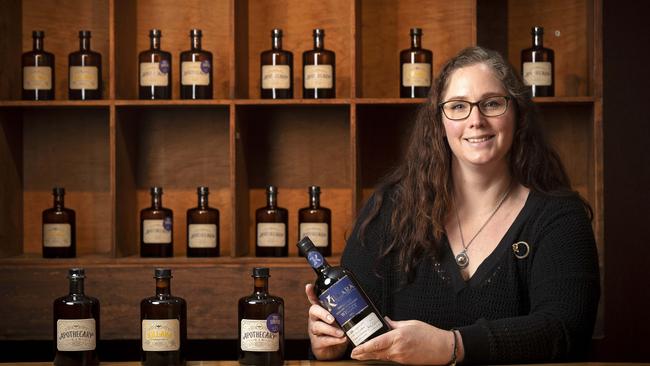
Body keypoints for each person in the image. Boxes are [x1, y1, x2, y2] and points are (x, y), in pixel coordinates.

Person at [304, 46, 600, 365]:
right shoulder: (390, 209)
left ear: (517, 113)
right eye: (458, 106)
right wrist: (330, 345)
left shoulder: (558, 218)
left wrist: (453, 346)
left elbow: (564, 330)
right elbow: (360, 333)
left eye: (491, 103)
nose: (476, 120)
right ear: (440, 121)